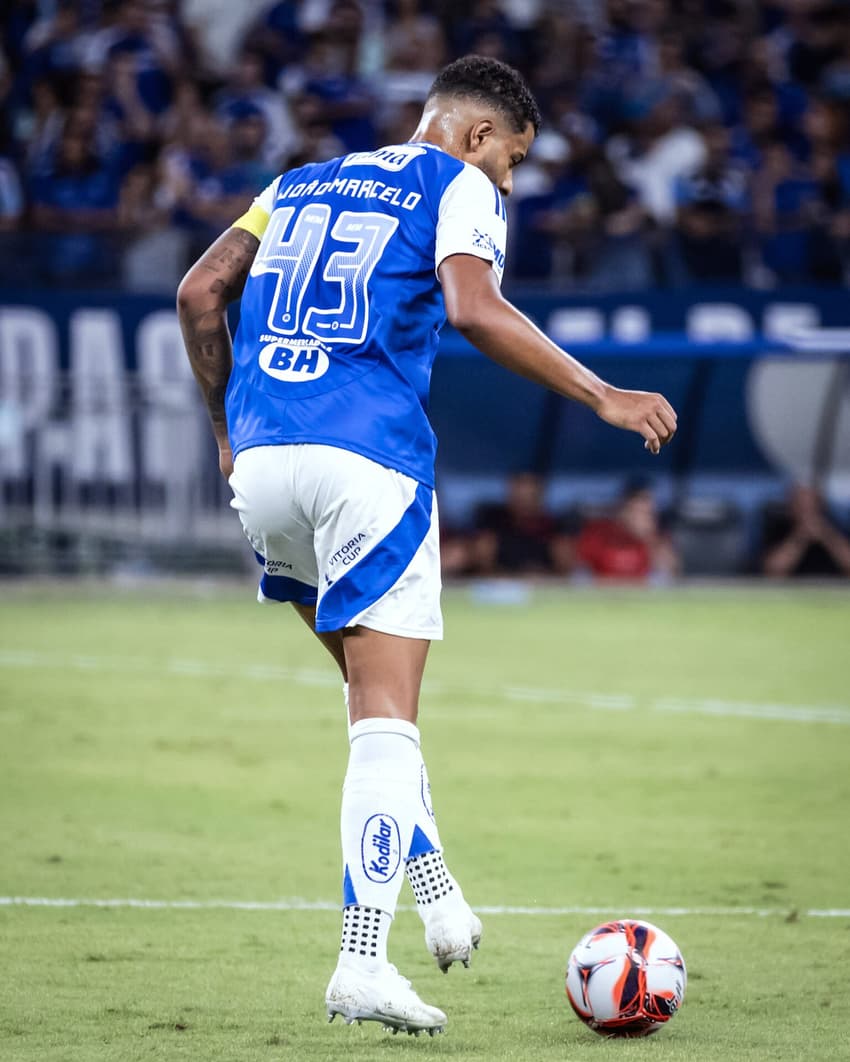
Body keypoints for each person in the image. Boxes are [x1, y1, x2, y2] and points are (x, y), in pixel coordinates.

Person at [176, 54, 677, 1037]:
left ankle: (438, 889)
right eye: (514, 161)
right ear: (478, 134)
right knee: (386, 723)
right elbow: (472, 308)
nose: (511, 183)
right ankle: (360, 964)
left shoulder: (299, 180)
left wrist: (226, 432)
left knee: (373, 705)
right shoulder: (454, 182)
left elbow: (200, 293)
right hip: (368, 460)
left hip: (264, 463)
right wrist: (602, 394)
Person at [576, 478, 680, 581]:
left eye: (648, 512)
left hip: (642, 594)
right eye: (639, 511)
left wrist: (650, 540)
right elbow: (578, 574)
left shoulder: (656, 536)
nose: (644, 517)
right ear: (624, 508)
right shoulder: (598, 532)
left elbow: (670, 574)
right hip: (603, 593)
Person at [760, 482, 850, 578]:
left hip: (832, 586)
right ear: (791, 507)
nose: (806, 512)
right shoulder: (779, 528)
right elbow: (772, 571)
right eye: (800, 506)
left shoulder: (836, 525)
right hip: (790, 588)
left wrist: (827, 535)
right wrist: (800, 537)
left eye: (811, 506)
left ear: (821, 507)